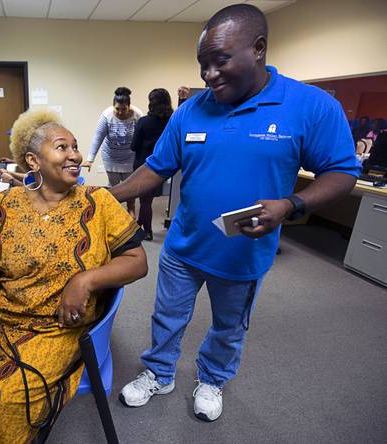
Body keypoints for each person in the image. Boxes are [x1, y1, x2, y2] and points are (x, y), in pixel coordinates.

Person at [112, 4, 359, 422]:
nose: (208, 74)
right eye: (202, 64)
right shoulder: (192, 110)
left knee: (228, 327)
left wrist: (291, 205)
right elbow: (156, 168)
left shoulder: (309, 106)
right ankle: (159, 371)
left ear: (258, 48)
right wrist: (106, 195)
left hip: (243, 253)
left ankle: (212, 378)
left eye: (220, 60)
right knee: (167, 316)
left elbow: (342, 172)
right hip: (183, 247)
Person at [0, 109, 147, 443]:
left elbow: (138, 260)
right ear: (33, 161)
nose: (75, 155)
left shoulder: (99, 201)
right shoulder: (7, 202)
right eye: (63, 147)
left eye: (75, 147)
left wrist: (84, 280)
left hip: (55, 329)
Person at [83, 87, 143, 218]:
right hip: (111, 156)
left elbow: (142, 136)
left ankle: (131, 210)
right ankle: (114, 214)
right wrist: (90, 159)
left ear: (129, 106)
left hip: (129, 157)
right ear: (113, 106)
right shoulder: (106, 116)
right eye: (117, 109)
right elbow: (97, 137)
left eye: (124, 109)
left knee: (130, 187)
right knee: (113, 186)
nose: (120, 112)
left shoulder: (137, 115)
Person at [130, 88, 174, 240]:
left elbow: (133, 146)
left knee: (145, 202)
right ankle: (140, 225)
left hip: (144, 166)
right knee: (149, 200)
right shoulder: (172, 121)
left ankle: (147, 231)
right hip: (163, 166)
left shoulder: (144, 122)